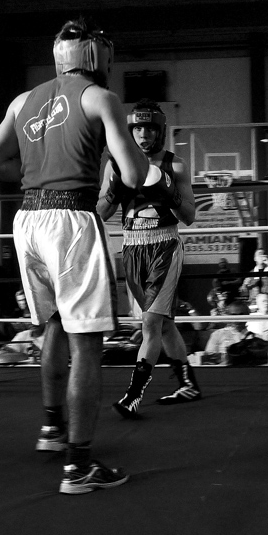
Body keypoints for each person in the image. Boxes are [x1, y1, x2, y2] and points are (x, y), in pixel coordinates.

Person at [0, 17, 149, 495]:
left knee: (54, 323)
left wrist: (36, 172)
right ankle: (79, 466)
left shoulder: (21, 101)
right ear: (97, 57)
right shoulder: (100, 98)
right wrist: (127, 153)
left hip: (27, 220)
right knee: (87, 343)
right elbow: (134, 176)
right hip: (71, 220)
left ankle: (52, 429)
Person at [97, 98, 200, 416]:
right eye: (138, 128)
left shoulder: (175, 165)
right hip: (131, 248)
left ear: (160, 131)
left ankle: (133, 395)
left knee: (151, 324)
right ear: (130, 131)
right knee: (164, 325)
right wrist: (114, 191)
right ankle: (188, 384)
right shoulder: (116, 164)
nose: (144, 135)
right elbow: (100, 213)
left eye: (150, 129)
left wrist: (169, 194)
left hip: (164, 246)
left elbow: (189, 216)